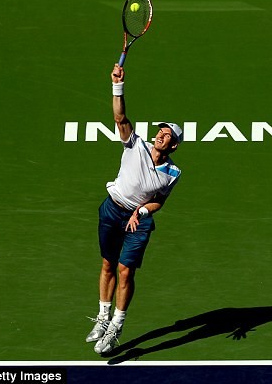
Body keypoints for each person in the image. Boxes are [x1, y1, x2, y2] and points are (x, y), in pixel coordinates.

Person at [86, 63, 182, 355]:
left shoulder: (173, 173)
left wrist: (141, 212)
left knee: (125, 271)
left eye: (168, 134)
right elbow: (120, 116)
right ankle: (102, 318)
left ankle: (116, 325)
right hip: (112, 210)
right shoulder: (134, 144)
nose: (162, 134)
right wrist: (118, 85)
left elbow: (158, 201)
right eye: (161, 130)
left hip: (137, 222)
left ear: (174, 146)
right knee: (107, 265)